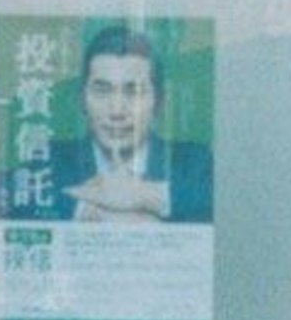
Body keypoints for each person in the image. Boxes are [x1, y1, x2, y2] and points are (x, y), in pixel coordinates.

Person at [46, 25, 211, 223]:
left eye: (134, 92)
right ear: (82, 99)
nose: (117, 111)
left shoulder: (194, 163)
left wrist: (144, 195)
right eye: (102, 91)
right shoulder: (49, 161)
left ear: (159, 102)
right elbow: (9, 196)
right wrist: (95, 213)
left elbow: (215, 200)